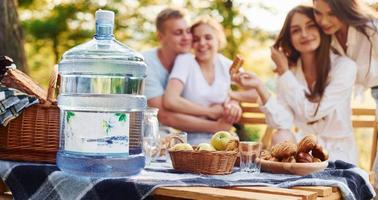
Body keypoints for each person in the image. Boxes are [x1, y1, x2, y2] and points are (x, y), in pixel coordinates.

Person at [232, 5, 358, 164]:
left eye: (310, 26)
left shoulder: (345, 67)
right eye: (296, 30)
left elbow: (312, 113)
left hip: (337, 153)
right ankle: (286, 185)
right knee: (281, 135)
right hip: (302, 153)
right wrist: (259, 86)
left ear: (321, 29)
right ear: (289, 37)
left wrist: (284, 73)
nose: (304, 34)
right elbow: (283, 121)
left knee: (285, 141)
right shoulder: (289, 72)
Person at [143, 8, 232, 135]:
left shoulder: (187, 63)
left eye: (188, 31)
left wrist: (232, 102)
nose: (186, 38)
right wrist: (214, 124)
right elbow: (164, 116)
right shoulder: (146, 64)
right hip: (144, 136)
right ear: (160, 36)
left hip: (170, 134)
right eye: (178, 33)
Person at [163, 16, 242, 144]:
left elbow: (253, 91)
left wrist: (233, 102)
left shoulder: (226, 65)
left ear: (218, 40)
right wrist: (209, 112)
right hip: (189, 140)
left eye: (208, 37)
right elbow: (170, 100)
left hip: (225, 138)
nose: (202, 43)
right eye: (196, 39)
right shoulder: (185, 61)